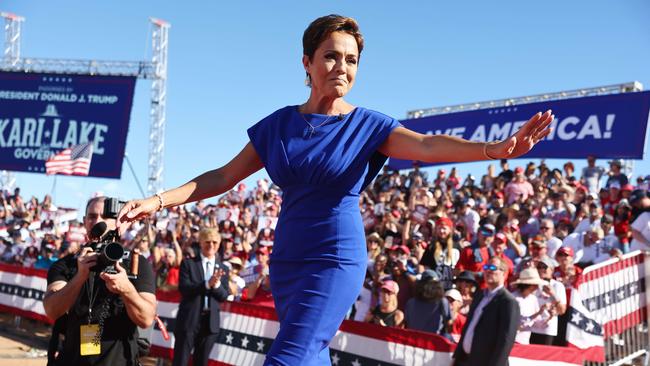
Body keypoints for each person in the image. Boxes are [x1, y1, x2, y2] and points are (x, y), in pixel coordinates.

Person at [116, 14, 552, 365]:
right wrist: (155, 201)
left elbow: (426, 145)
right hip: (287, 258)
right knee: (311, 355)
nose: (342, 67)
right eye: (331, 56)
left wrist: (492, 149)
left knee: (287, 357)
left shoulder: (369, 125)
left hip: (335, 257)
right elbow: (221, 177)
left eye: (351, 59)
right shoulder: (278, 125)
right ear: (306, 62)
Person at [43, 196, 156, 366]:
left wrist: (126, 289)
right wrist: (80, 277)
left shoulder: (135, 263)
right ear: (84, 221)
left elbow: (146, 318)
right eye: (92, 216)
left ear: (119, 221)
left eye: (105, 217)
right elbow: (52, 310)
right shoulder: (66, 264)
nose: (97, 221)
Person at [172, 228, 229, 366]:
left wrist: (215, 286)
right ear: (201, 243)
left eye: (215, 242)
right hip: (188, 320)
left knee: (201, 362)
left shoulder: (223, 268)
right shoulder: (188, 263)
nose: (211, 245)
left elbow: (224, 296)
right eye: (207, 242)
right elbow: (184, 289)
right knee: (180, 361)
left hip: (210, 324)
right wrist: (207, 285)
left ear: (219, 244)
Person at [453, 256, 520, 366]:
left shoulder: (508, 302)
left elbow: (506, 341)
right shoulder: (479, 296)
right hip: (466, 360)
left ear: (504, 273)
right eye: (486, 267)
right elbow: (468, 327)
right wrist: (457, 358)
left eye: (493, 267)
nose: (488, 270)